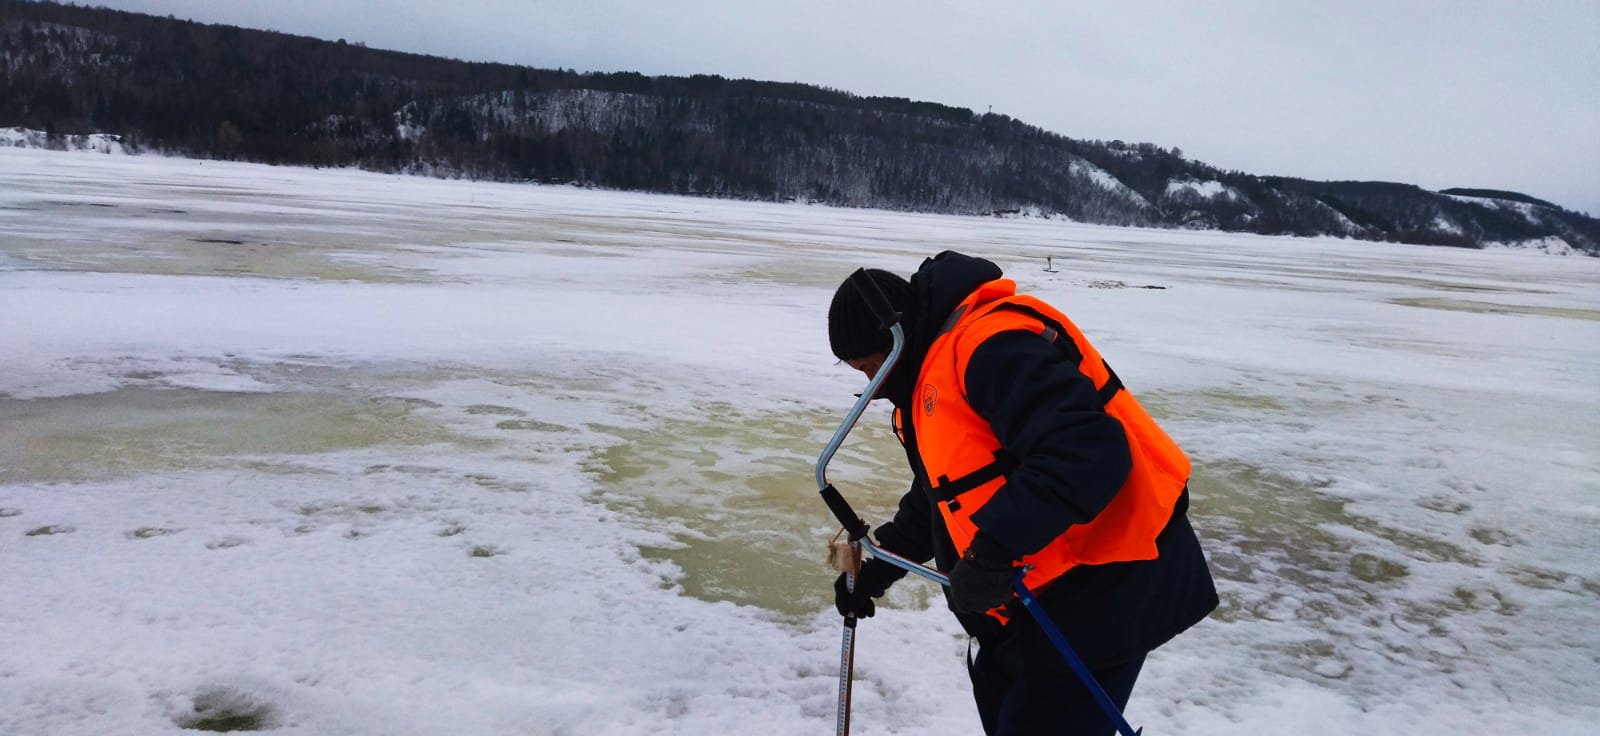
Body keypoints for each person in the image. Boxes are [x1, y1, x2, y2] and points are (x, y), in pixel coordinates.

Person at [826, 251, 1217, 735]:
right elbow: (944, 492)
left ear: (897, 334)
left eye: (872, 366)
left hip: (1107, 587)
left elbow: (1086, 449)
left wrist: (994, 551)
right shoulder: (926, 380)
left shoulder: (988, 346)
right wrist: (881, 565)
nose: (872, 386)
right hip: (1032, 608)